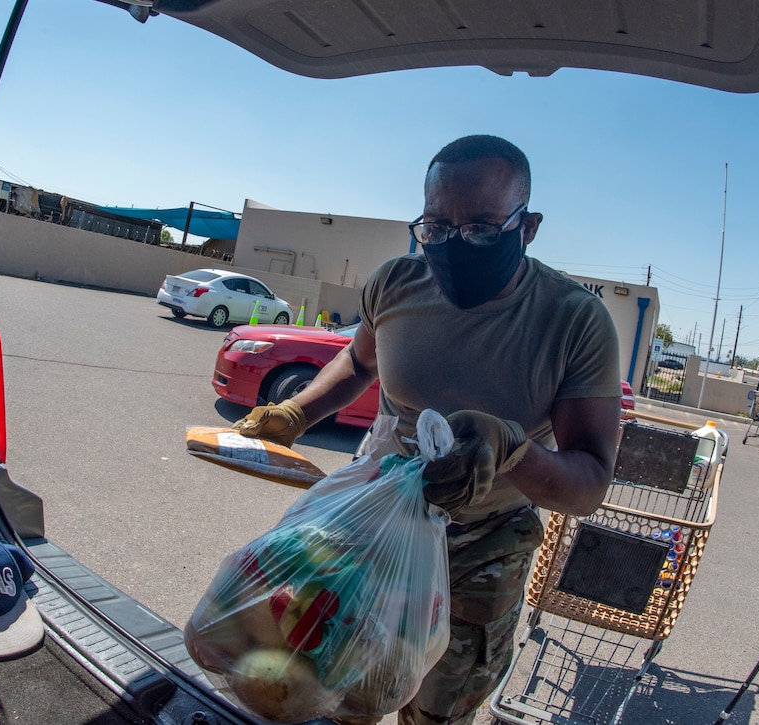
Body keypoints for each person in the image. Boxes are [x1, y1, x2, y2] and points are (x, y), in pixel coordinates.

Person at [232, 135, 622, 725]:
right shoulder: (397, 283)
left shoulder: (572, 320)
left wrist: (513, 450)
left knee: (436, 713)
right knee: (335, 686)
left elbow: (589, 483)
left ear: (529, 226)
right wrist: (298, 412)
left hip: (481, 548)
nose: (456, 242)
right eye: (437, 226)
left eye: (484, 228)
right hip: (373, 521)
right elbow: (359, 362)